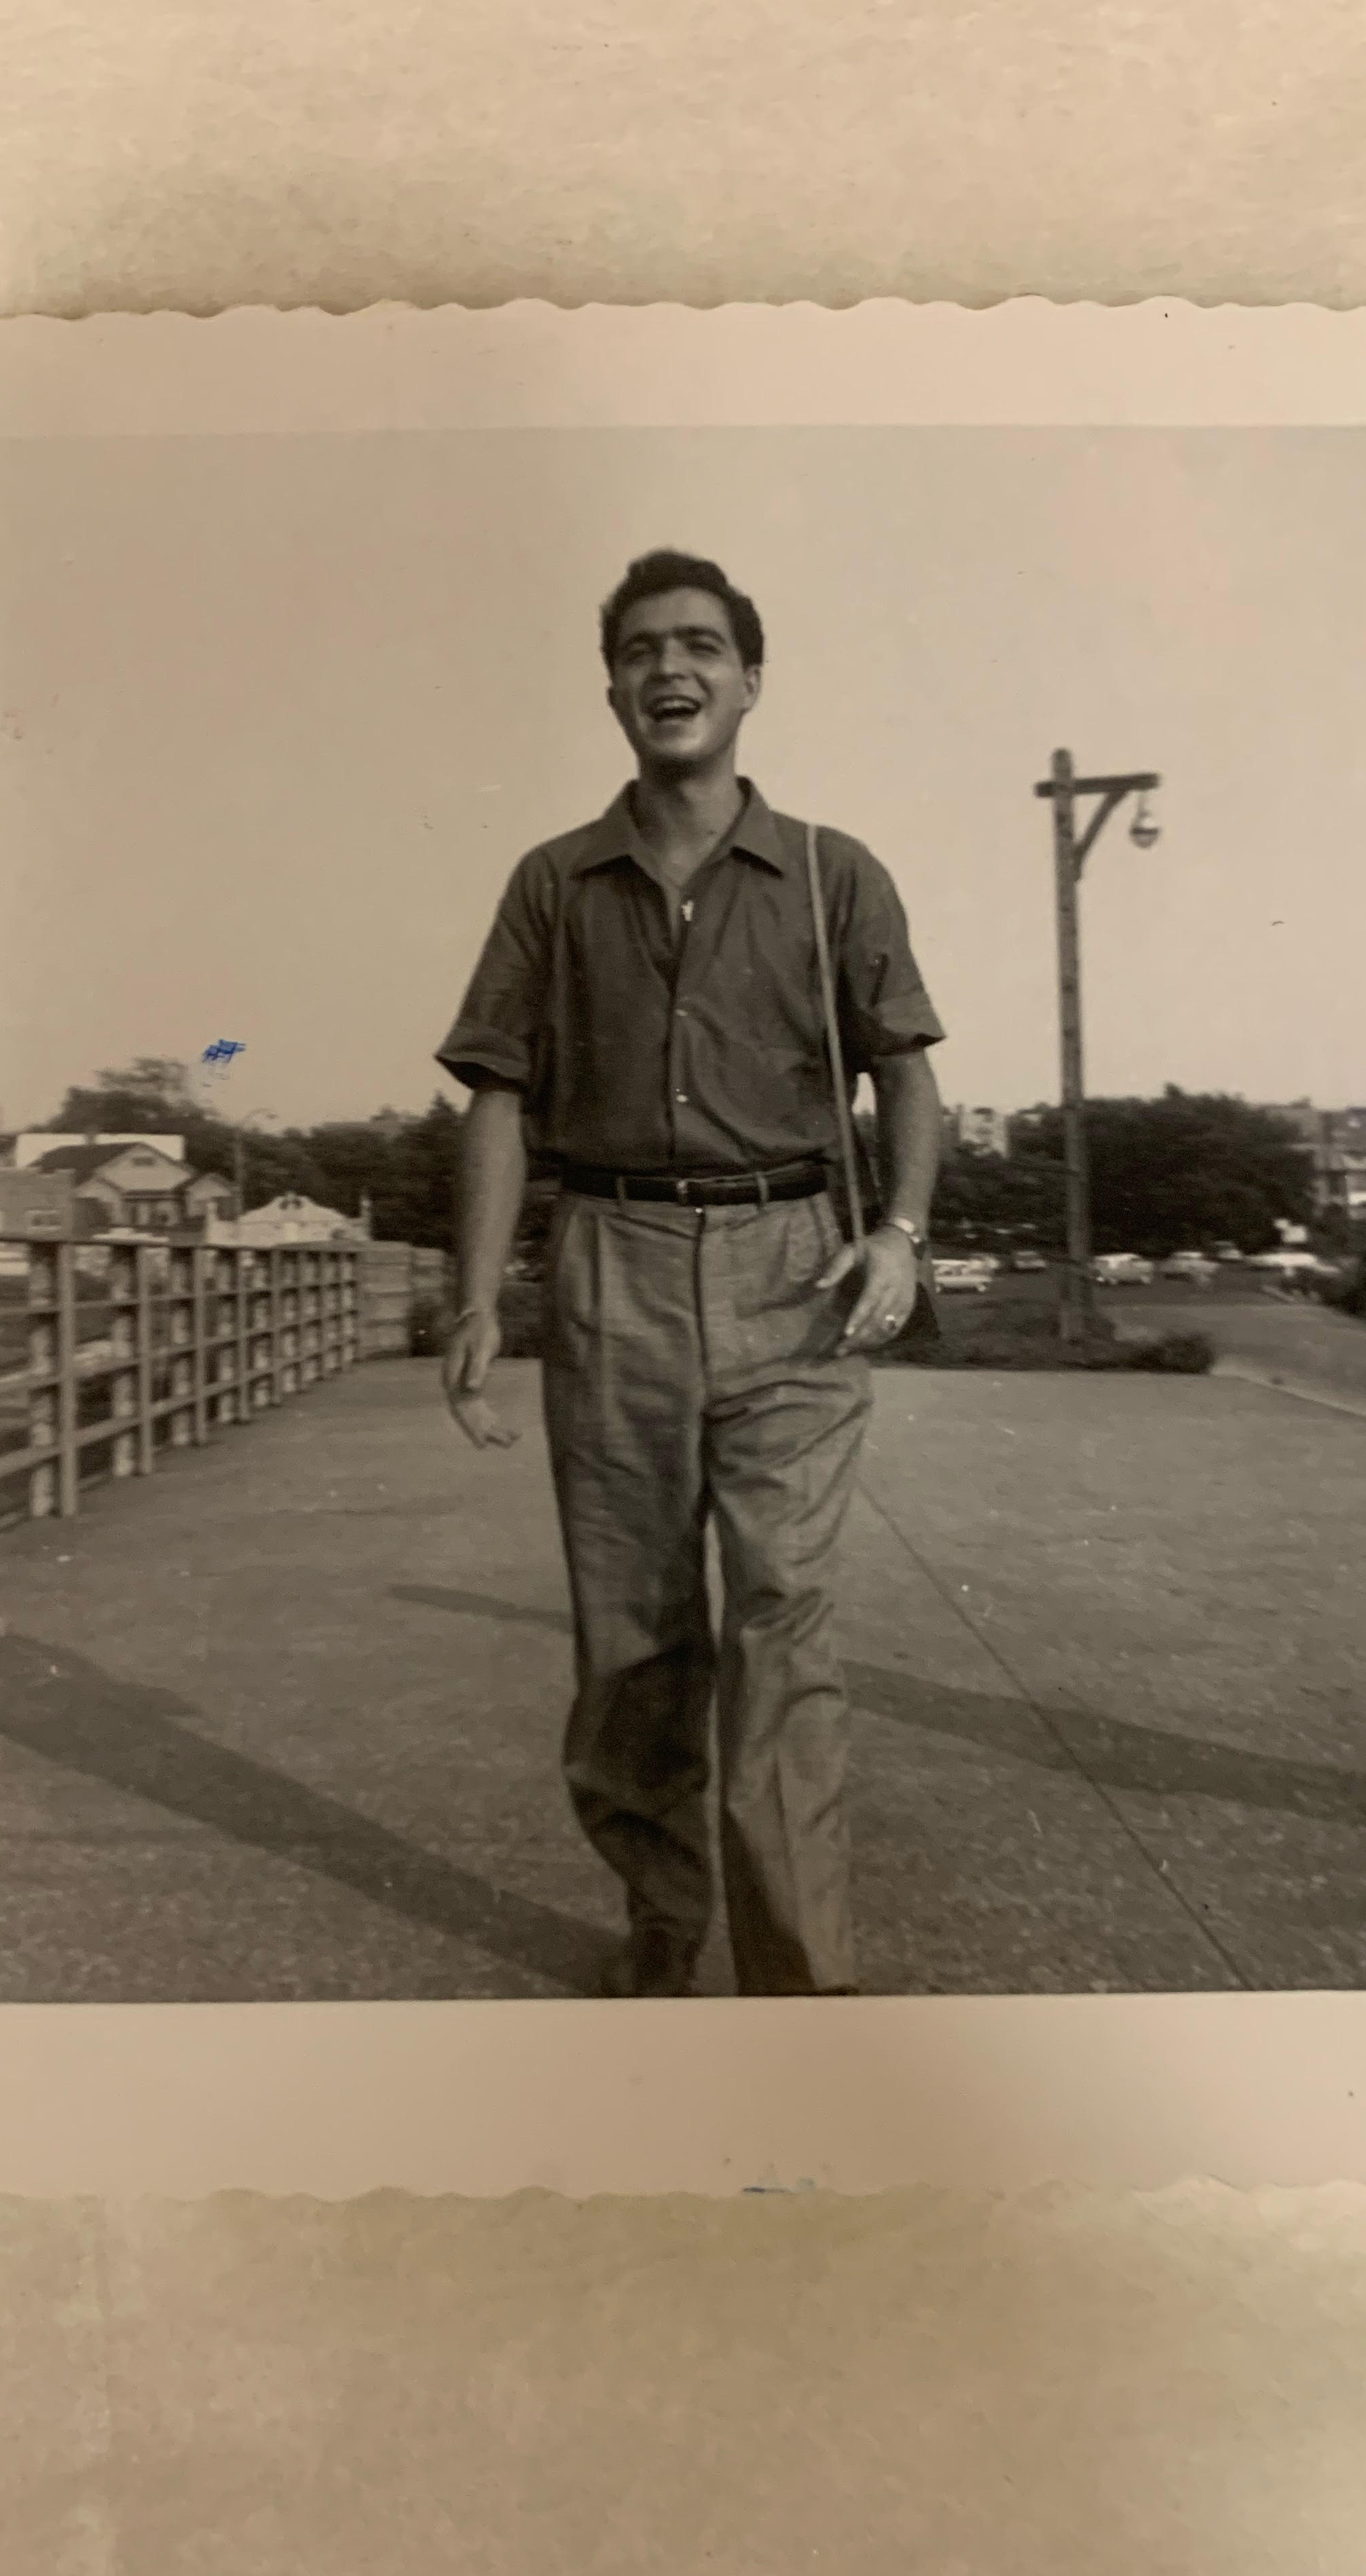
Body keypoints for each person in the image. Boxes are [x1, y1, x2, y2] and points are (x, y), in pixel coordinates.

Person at [435, 549, 944, 1998]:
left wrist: (898, 1231)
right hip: (610, 1265)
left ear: (750, 680)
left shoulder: (836, 875)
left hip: (795, 1268)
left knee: (784, 1617)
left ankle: (801, 1977)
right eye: (645, 649)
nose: (673, 670)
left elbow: (906, 1071)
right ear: (612, 689)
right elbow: (496, 1098)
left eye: (704, 647)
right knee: (635, 1635)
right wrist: (477, 1300)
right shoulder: (552, 884)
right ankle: (664, 1919)